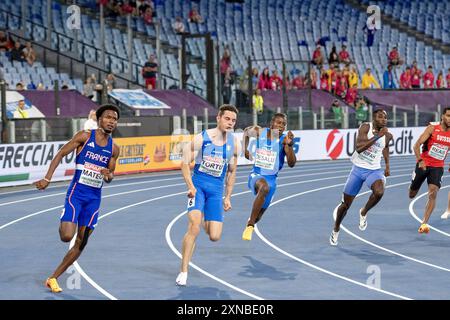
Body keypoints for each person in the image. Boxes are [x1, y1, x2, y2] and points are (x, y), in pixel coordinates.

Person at [35, 104, 120, 293]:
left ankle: (53, 278)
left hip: (94, 200)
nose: (111, 121)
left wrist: (108, 174)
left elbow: (110, 177)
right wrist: (47, 178)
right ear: (99, 119)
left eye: (114, 119)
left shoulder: (114, 148)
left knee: (81, 242)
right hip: (76, 194)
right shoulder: (85, 136)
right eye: (108, 117)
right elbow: (60, 154)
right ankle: (66, 218)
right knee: (66, 236)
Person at [176, 104, 240, 286]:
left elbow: (232, 171)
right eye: (227, 118)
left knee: (214, 236)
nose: (230, 123)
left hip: (216, 191)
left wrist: (228, 197)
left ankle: (206, 216)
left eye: (233, 120)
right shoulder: (202, 138)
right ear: (218, 118)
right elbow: (184, 162)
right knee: (194, 226)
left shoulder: (234, 143)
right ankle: (184, 270)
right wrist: (190, 186)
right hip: (198, 187)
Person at [330, 109, 392, 246]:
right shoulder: (365, 127)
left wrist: (387, 165)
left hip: (374, 170)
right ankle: (336, 229)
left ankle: (363, 211)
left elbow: (385, 147)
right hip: (358, 170)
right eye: (380, 117)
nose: (384, 120)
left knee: (379, 191)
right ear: (374, 119)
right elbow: (359, 148)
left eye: (385, 118)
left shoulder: (387, 135)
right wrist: (377, 136)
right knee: (345, 206)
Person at [241, 113, 296, 241]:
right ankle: (249, 226)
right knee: (263, 188)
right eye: (278, 123)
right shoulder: (260, 132)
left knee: (258, 216)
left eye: (283, 124)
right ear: (272, 123)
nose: (281, 126)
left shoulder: (283, 140)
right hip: (257, 175)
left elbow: (292, 163)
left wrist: (290, 146)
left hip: (272, 180)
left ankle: (251, 222)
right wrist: (245, 150)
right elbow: (245, 132)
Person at [408, 108, 450, 233]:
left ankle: (424, 223)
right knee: (412, 194)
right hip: (423, 164)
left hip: (437, 167)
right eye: (448, 116)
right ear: (442, 116)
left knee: (433, 193)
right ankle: (413, 183)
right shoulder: (432, 129)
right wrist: (420, 160)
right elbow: (416, 145)